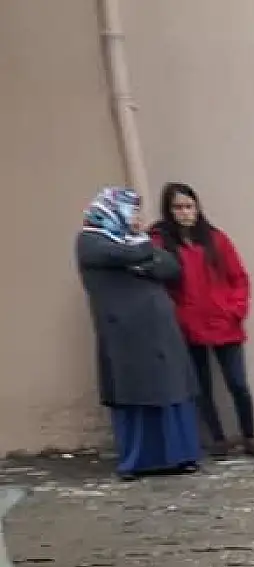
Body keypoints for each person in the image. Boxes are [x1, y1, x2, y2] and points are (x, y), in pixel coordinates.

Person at [75, 187, 201, 481]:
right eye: (131, 211)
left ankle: (180, 456)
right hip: (124, 336)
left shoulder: (134, 239)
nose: (135, 218)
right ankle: (138, 461)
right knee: (135, 394)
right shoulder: (90, 240)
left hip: (160, 335)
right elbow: (128, 253)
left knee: (172, 390)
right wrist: (141, 256)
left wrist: (140, 263)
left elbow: (170, 267)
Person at [151, 182, 254, 459]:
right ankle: (218, 439)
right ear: (169, 211)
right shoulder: (162, 243)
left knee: (237, 383)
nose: (184, 213)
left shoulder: (216, 239)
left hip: (224, 323)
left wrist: (235, 309)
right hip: (189, 325)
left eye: (189, 206)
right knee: (202, 387)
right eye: (178, 207)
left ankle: (250, 435)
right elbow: (159, 281)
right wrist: (179, 315)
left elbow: (239, 277)